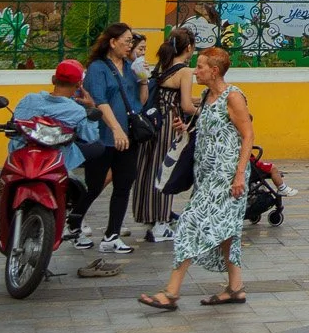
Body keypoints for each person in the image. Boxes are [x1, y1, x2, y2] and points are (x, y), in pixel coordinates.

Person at [138, 47, 253, 311]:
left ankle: (171, 292)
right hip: (206, 174)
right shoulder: (206, 96)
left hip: (226, 177)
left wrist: (239, 175)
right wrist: (187, 128)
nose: (195, 71)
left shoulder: (233, 96)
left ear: (214, 71)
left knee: (189, 224)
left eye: (200, 67)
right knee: (226, 230)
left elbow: (248, 135)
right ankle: (235, 288)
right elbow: (212, 128)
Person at [71, 23, 142, 254]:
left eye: (132, 41)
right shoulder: (98, 68)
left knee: (123, 184)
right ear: (112, 42)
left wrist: (143, 80)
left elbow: (138, 101)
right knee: (94, 185)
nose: (130, 45)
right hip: (103, 137)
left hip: (128, 137)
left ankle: (112, 235)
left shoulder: (130, 67)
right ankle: (73, 225)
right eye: (127, 41)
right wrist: (115, 129)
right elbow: (100, 101)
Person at [133, 28, 197, 243]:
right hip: (170, 123)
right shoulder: (185, 71)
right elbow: (186, 105)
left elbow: (170, 95)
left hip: (154, 122)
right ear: (189, 47)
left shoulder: (163, 66)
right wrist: (204, 110)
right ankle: (161, 223)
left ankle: (150, 216)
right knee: (166, 172)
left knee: (150, 169)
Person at [15, 60, 104, 178]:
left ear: (53, 79)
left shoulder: (29, 99)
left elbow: (15, 121)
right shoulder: (77, 110)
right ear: (79, 84)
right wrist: (91, 107)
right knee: (98, 146)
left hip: (22, 156)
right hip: (57, 160)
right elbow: (90, 137)